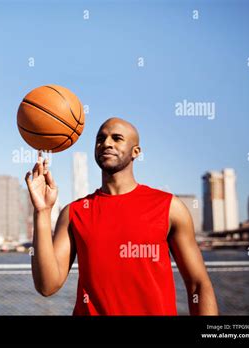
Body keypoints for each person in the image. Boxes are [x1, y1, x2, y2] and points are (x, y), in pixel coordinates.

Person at [25, 117, 218, 315]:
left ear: (136, 152)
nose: (106, 143)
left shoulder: (169, 207)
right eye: (100, 139)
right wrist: (43, 211)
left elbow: (198, 286)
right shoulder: (74, 212)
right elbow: (47, 286)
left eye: (117, 138)